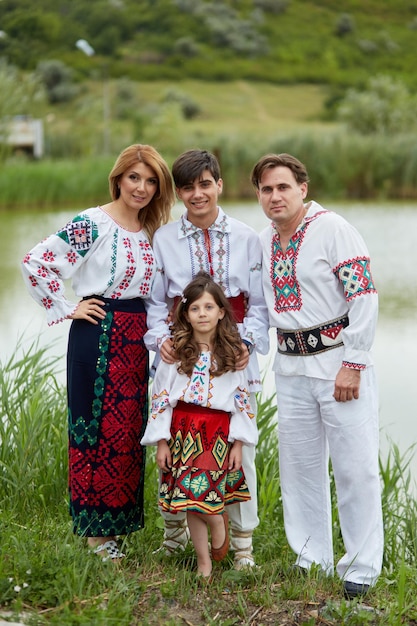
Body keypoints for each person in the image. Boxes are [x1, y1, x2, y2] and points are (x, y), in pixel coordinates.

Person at [21, 143, 175, 561]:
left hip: (135, 338)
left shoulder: (150, 232)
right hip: (97, 332)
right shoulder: (94, 222)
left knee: (127, 432)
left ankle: (115, 529)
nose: (141, 188)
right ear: (118, 178)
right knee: (94, 430)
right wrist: (68, 308)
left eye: (150, 181)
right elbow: (36, 261)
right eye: (134, 178)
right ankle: (94, 536)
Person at [250, 152, 383, 598]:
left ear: (302, 189)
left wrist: (354, 361)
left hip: (337, 364)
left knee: (355, 468)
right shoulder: (264, 241)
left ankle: (361, 569)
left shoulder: (334, 229)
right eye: (266, 189)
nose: (275, 196)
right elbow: (259, 309)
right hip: (290, 368)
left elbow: (363, 297)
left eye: (283, 187)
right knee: (300, 468)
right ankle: (312, 560)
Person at [145, 149, 269, 569]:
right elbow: (155, 302)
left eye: (204, 184)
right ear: (179, 192)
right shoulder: (163, 238)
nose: (196, 194)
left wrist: (246, 346)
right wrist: (160, 338)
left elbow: (259, 305)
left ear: (218, 183)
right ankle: (174, 533)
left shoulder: (248, 237)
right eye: (187, 187)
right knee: (175, 443)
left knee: (238, 448)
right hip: (180, 356)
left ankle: (242, 545)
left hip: (233, 356)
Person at [141, 272, 258, 579]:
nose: (202, 314)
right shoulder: (175, 353)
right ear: (185, 314)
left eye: (208, 307)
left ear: (221, 312)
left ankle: (219, 522)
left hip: (216, 434)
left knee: (208, 501)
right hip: (183, 432)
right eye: (195, 308)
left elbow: (242, 401)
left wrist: (238, 442)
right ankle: (203, 564)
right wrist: (161, 441)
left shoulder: (233, 354)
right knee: (191, 501)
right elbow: (161, 398)